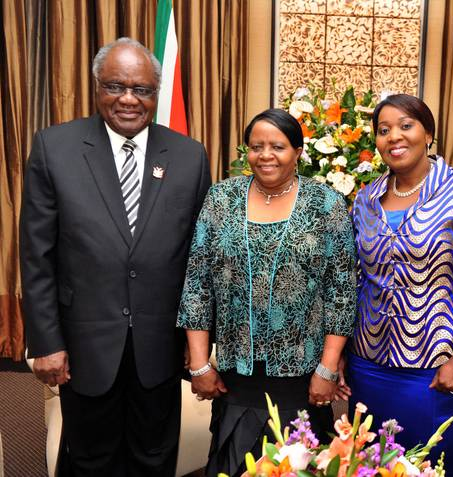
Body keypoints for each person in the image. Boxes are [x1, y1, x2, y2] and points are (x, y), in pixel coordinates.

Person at [20, 38, 211, 476]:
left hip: (160, 345)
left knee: (155, 456)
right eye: (115, 86)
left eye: (141, 89)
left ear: (155, 92)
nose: (128, 98)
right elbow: (37, 256)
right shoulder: (55, 148)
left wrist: (199, 343)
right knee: (89, 460)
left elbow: (200, 261)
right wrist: (46, 342)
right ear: (97, 87)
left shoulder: (188, 156)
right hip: (85, 344)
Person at [177, 108, 356, 477]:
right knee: (233, 464)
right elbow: (197, 283)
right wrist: (199, 363)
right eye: (256, 146)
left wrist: (328, 366)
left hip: (302, 375)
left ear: (298, 152)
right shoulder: (221, 198)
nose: (265, 155)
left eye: (277, 146)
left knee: (299, 465)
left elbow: (341, 292)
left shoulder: (326, 204)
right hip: (235, 372)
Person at [347, 94, 453, 477]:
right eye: (383, 130)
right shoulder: (365, 198)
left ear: (428, 133)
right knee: (370, 463)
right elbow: (356, 277)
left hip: (441, 363)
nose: (393, 137)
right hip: (370, 363)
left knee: (440, 465)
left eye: (405, 125)